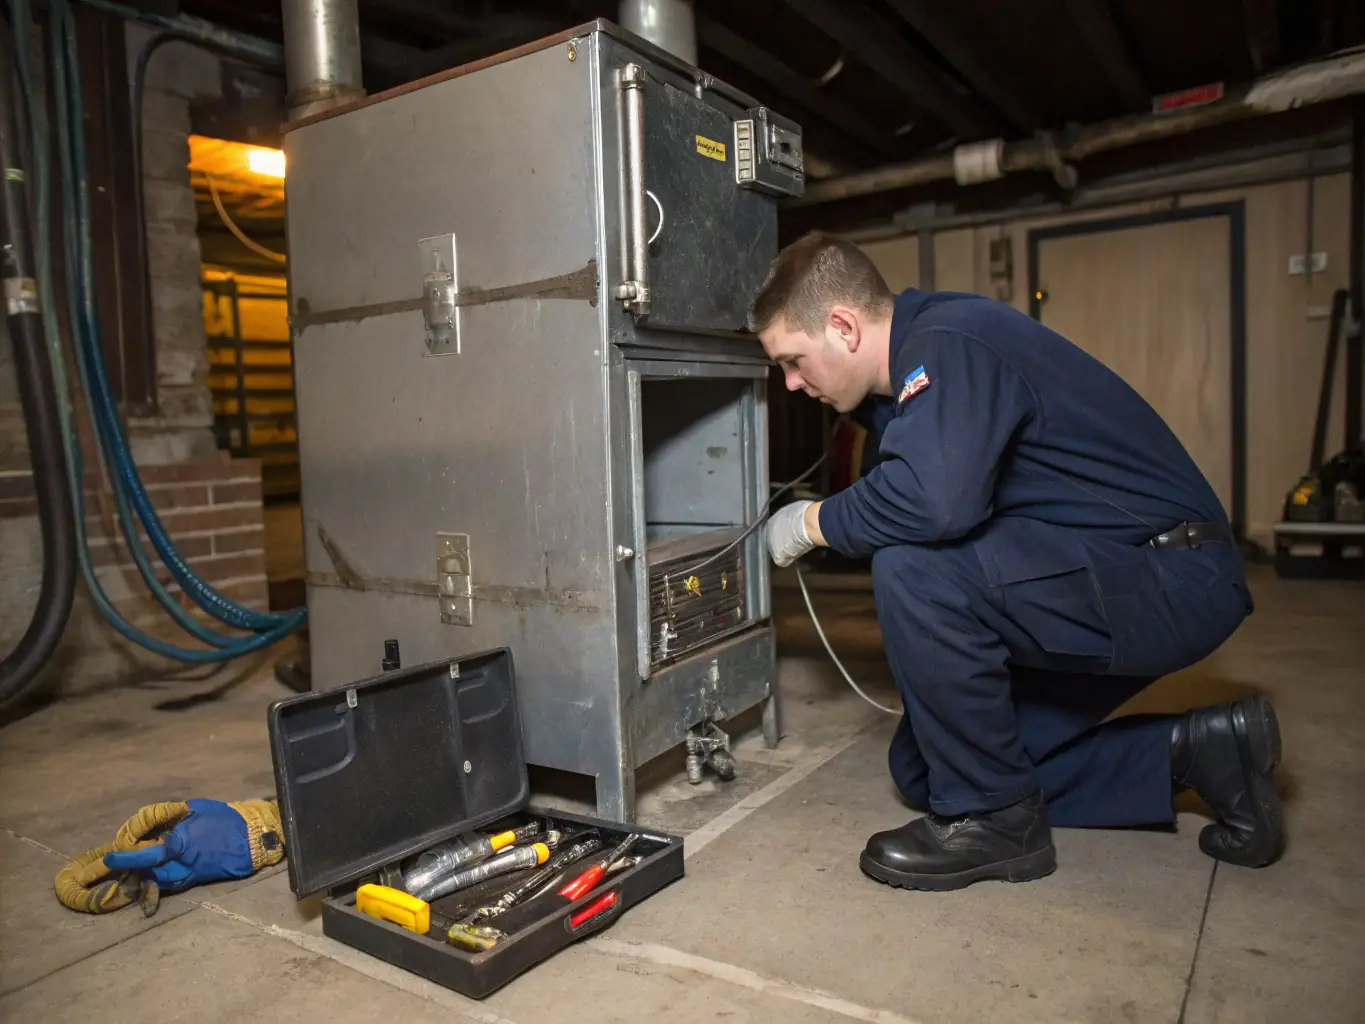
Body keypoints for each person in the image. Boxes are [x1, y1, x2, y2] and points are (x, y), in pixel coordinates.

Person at [753, 232, 1283, 892]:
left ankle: (993, 821)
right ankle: (1196, 753)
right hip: (1109, 579)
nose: (792, 384)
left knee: (917, 567)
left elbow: (933, 504)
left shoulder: (950, 341)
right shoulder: (910, 384)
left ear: (842, 326)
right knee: (926, 768)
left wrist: (813, 521)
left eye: (794, 360)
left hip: (1169, 577)